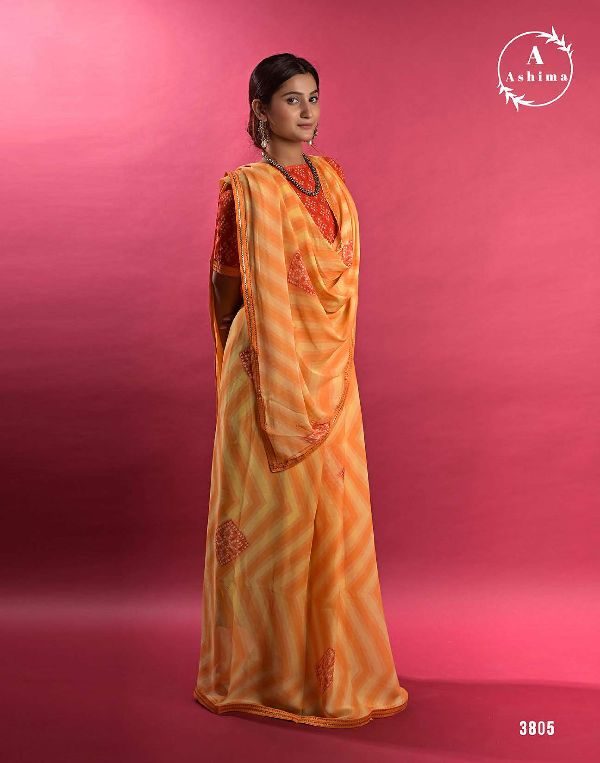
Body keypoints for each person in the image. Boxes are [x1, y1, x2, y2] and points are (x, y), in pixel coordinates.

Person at [193, 53, 409, 728]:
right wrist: (259, 356)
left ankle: (328, 669)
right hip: (265, 370)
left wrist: (313, 349)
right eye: (291, 99)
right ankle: (261, 672)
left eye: (313, 96)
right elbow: (228, 282)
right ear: (261, 110)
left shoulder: (332, 181)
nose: (308, 110)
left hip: (330, 370)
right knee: (267, 523)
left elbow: (335, 279)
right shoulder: (248, 188)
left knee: (334, 516)